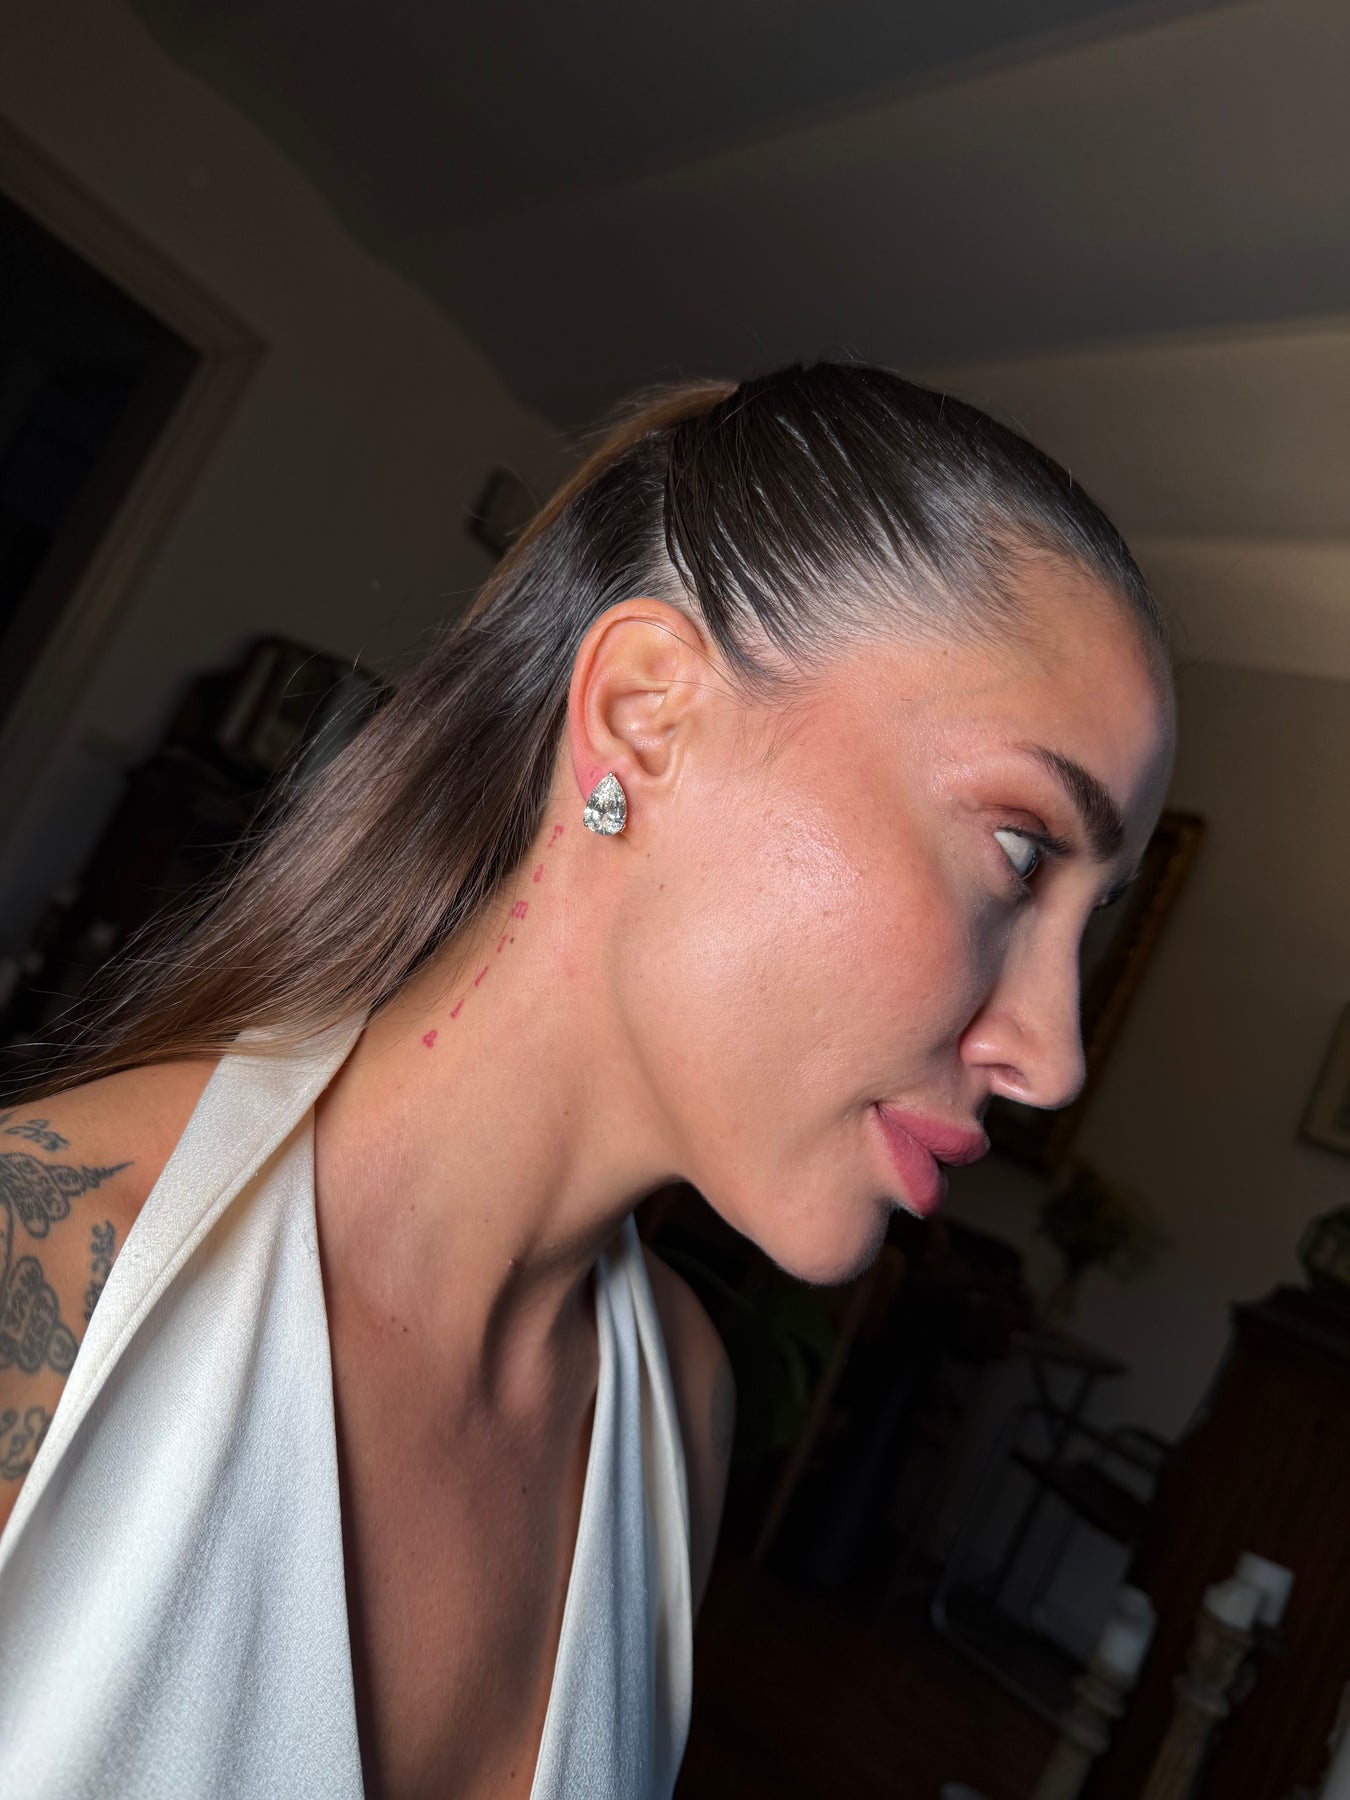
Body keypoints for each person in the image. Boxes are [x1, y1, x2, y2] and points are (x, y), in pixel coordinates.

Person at [0, 362, 1173, 1799]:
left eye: (1087, 924)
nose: (1052, 1057)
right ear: (645, 713)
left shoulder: (674, 1413)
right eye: (1020, 852)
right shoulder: (38, 1277)